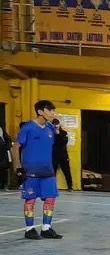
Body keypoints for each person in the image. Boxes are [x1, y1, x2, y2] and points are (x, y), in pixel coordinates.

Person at [12, 100, 62, 239]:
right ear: (40, 112)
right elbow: (15, 147)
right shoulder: (28, 127)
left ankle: (46, 228)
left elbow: (58, 143)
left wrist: (58, 129)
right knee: (30, 199)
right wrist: (18, 167)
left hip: (48, 171)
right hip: (31, 171)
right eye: (50, 110)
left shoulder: (50, 127)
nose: (53, 113)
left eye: (53, 110)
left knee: (50, 198)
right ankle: (29, 229)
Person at [51, 119, 73, 191]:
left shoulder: (64, 133)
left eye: (57, 124)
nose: (56, 126)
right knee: (52, 171)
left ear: (59, 124)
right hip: (54, 155)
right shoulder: (51, 133)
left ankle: (70, 186)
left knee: (66, 171)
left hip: (63, 155)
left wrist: (58, 134)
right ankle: (52, 186)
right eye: (54, 124)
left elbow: (64, 142)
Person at [0, 126, 11, 190]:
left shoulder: (1, 129)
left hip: (3, 152)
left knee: (3, 169)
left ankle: (4, 184)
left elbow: (8, 139)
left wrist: (7, 147)